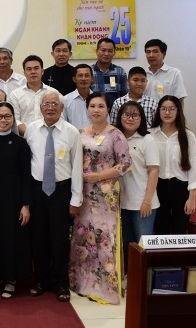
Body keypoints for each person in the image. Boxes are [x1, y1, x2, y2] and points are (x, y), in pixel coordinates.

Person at [69, 92, 131, 305]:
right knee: (83, 234)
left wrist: (99, 176)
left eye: (101, 106)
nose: (96, 110)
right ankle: (82, 283)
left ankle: (105, 288)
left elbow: (125, 164)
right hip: (83, 192)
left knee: (104, 237)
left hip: (105, 194)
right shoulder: (79, 133)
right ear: (87, 109)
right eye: (92, 106)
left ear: (108, 109)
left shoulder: (115, 134)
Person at [24, 90, 83, 302]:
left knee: (59, 239)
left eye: (54, 104)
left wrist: (76, 199)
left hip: (61, 190)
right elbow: (27, 162)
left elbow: (77, 167)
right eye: (46, 104)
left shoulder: (71, 132)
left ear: (61, 107)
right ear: (40, 108)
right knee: (38, 237)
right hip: (37, 190)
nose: (50, 108)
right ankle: (41, 280)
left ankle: (60, 282)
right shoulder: (31, 129)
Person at [0, 102, 32, 299]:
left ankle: (11, 278)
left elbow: (27, 175)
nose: (3, 120)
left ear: (13, 119)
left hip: (14, 199)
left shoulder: (21, 143)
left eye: (7, 117)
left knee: (12, 239)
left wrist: (26, 205)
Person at [114, 101, 159, 272]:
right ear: (120, 117)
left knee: (143, 245)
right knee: (127, 244)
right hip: (122, 202)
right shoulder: (115, 138)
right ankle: (129, 278)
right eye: (126, 114)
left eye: (135, 115)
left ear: (141, 119)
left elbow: (154, 171)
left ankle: (143, 279)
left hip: (142, 202)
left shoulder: (147, 140)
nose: (130, 118)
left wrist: (147, 201)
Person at [150, 96, 196, 234]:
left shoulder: (188, 136)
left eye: (172, 109)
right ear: (159, 111)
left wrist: (192, 198)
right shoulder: (151, 134)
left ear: (178, 111)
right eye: (163, 109)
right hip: (158, 187)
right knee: (161, 229)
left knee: (180, 230)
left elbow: (194, 166)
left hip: (180, 188)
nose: (167, 112)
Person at [8, 55, 57, 136]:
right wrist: (30, 134)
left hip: (49, 136)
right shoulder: (16, 94)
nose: (33, 72)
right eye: (29, 69)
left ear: (42, 71)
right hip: (24, 138)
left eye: (36, 68)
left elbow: (58, 117)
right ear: (24, 73)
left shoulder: (53, 93)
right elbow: (15, 119)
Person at [143, 39, 187, 107]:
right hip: (146, 113)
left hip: (166, 113)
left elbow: (180, 99)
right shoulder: (142, 75)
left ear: (164, 54)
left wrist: (180, 114)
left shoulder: (174, 73)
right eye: (148, 52)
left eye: (155, 52)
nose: (151, 55)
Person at [90, 38, 128, 108]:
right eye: (103, 50)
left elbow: (125, 96)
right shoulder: (89, 71)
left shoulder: (120, 72)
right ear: (97, 51)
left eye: (110, 51)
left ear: (114, 53)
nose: (106, 54)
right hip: (95, 112)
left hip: (115, 111)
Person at [63, 63, 93, 129]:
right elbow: (62, 123)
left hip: (95, 135)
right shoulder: (66, 100)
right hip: (72, 135)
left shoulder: (98, 99)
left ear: (92, 78)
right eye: (80, 76)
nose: (83, 79)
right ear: (74, 79)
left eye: (87, 75)